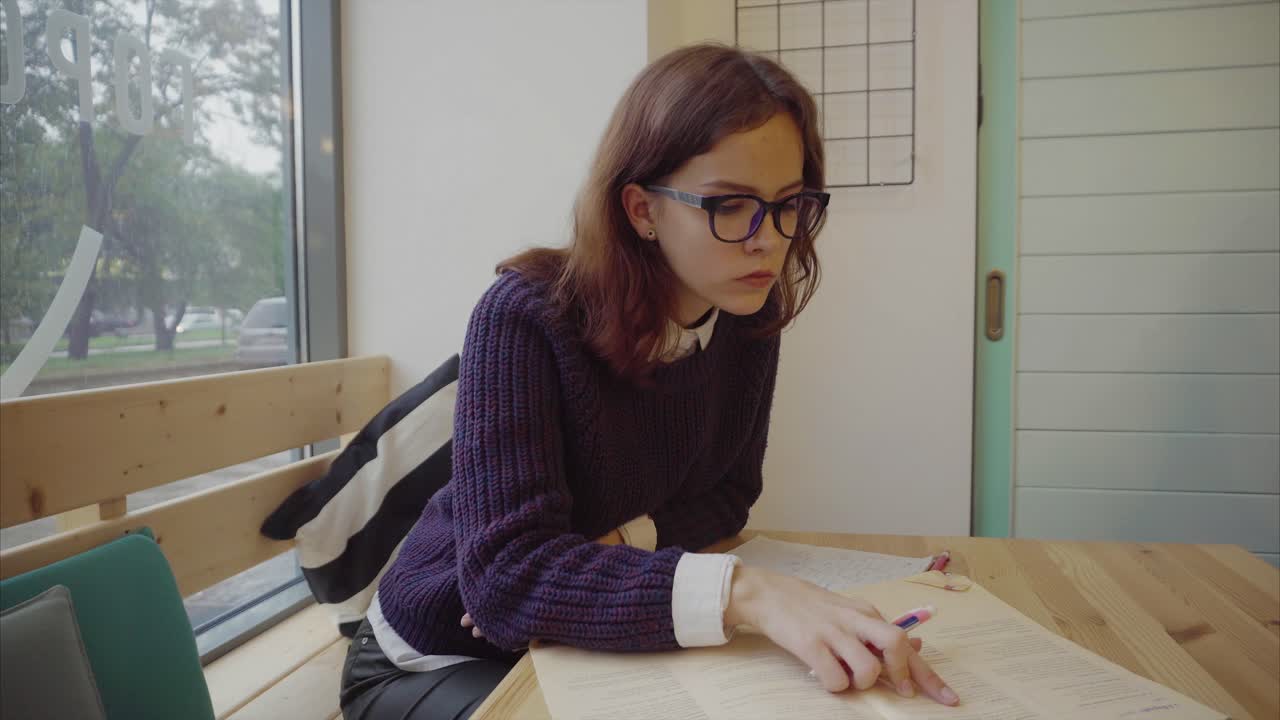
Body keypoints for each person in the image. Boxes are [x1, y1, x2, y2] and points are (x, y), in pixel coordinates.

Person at [339, 43, 960, 720]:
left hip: (577, 643)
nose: (768, 241)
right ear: (641, 209)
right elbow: (506, 584)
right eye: (729, 205)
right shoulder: (525, 317)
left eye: (788, 204)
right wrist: (747, 593)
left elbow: (729, 498)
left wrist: (612, 548)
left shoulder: (750, 317)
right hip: (435, 658)